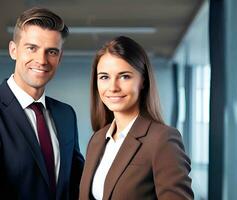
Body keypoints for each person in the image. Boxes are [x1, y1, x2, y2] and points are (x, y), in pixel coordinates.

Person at [79, 36, 194, 200]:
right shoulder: (97, 139)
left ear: (143, 81)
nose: (113, 87)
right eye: (104, 77)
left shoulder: (162, 139)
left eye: (124, 76)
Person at [0, 7, 84, 199]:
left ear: (60, 58)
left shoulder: (66, 114)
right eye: (32, 48)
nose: (42, 60)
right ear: (13, 50)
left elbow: (77, 182)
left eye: (51, 52)